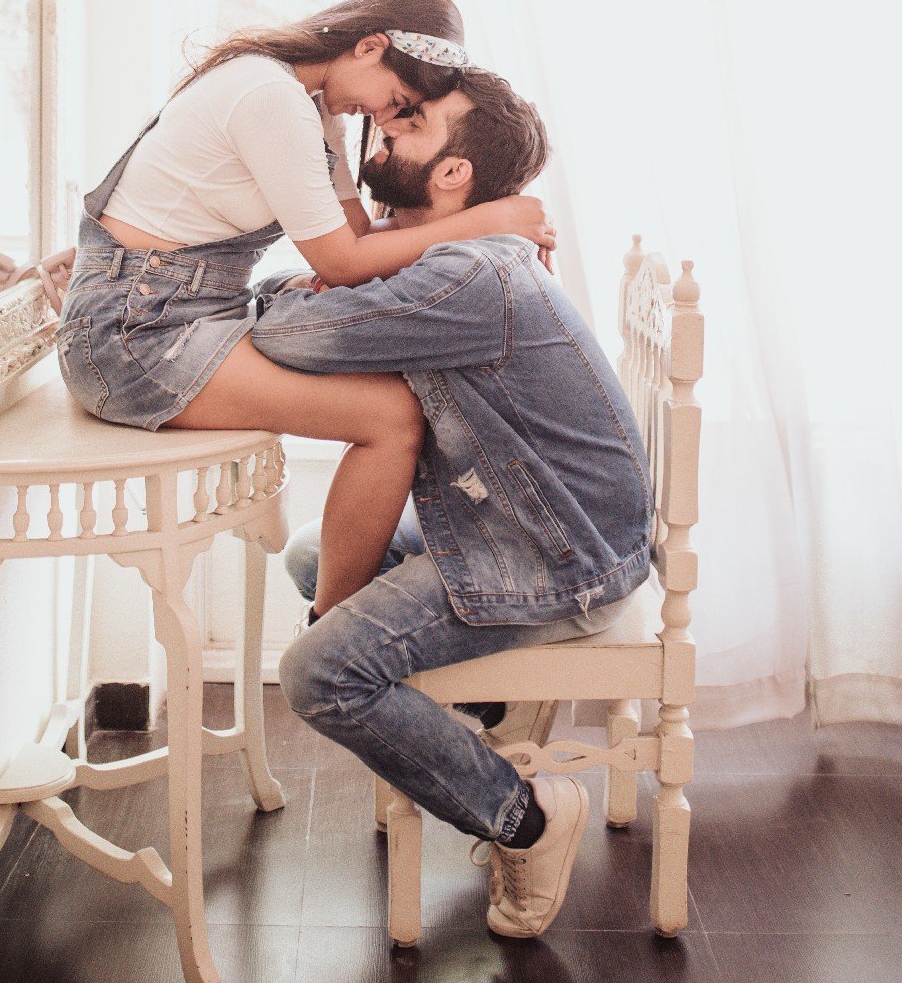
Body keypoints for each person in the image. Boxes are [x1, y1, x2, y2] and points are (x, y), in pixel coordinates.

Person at [250, 71, 653, 941]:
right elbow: (336, 293)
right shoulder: (454, 255)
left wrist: (299, 290)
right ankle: (472, 723)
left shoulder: (467, 275)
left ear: (452, 177)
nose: (383, 132)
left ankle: (528, 819)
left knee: (318, 674)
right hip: (532, 520)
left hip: (557, 556)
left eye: (408, 123)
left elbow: (286, 336)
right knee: (313, 558)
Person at [56, 0, 557, 618]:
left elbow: (356, 238)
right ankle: (336, 627)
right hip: (134, 339)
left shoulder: (311, 108)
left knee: (395, 396)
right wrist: (490, 221)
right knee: (391, 420)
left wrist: (490, 214)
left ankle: (378, 611)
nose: (387, 118)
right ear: (369, 47)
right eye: (397, 100)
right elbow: (344, 263)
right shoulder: (269, 96)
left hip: (177, 316)